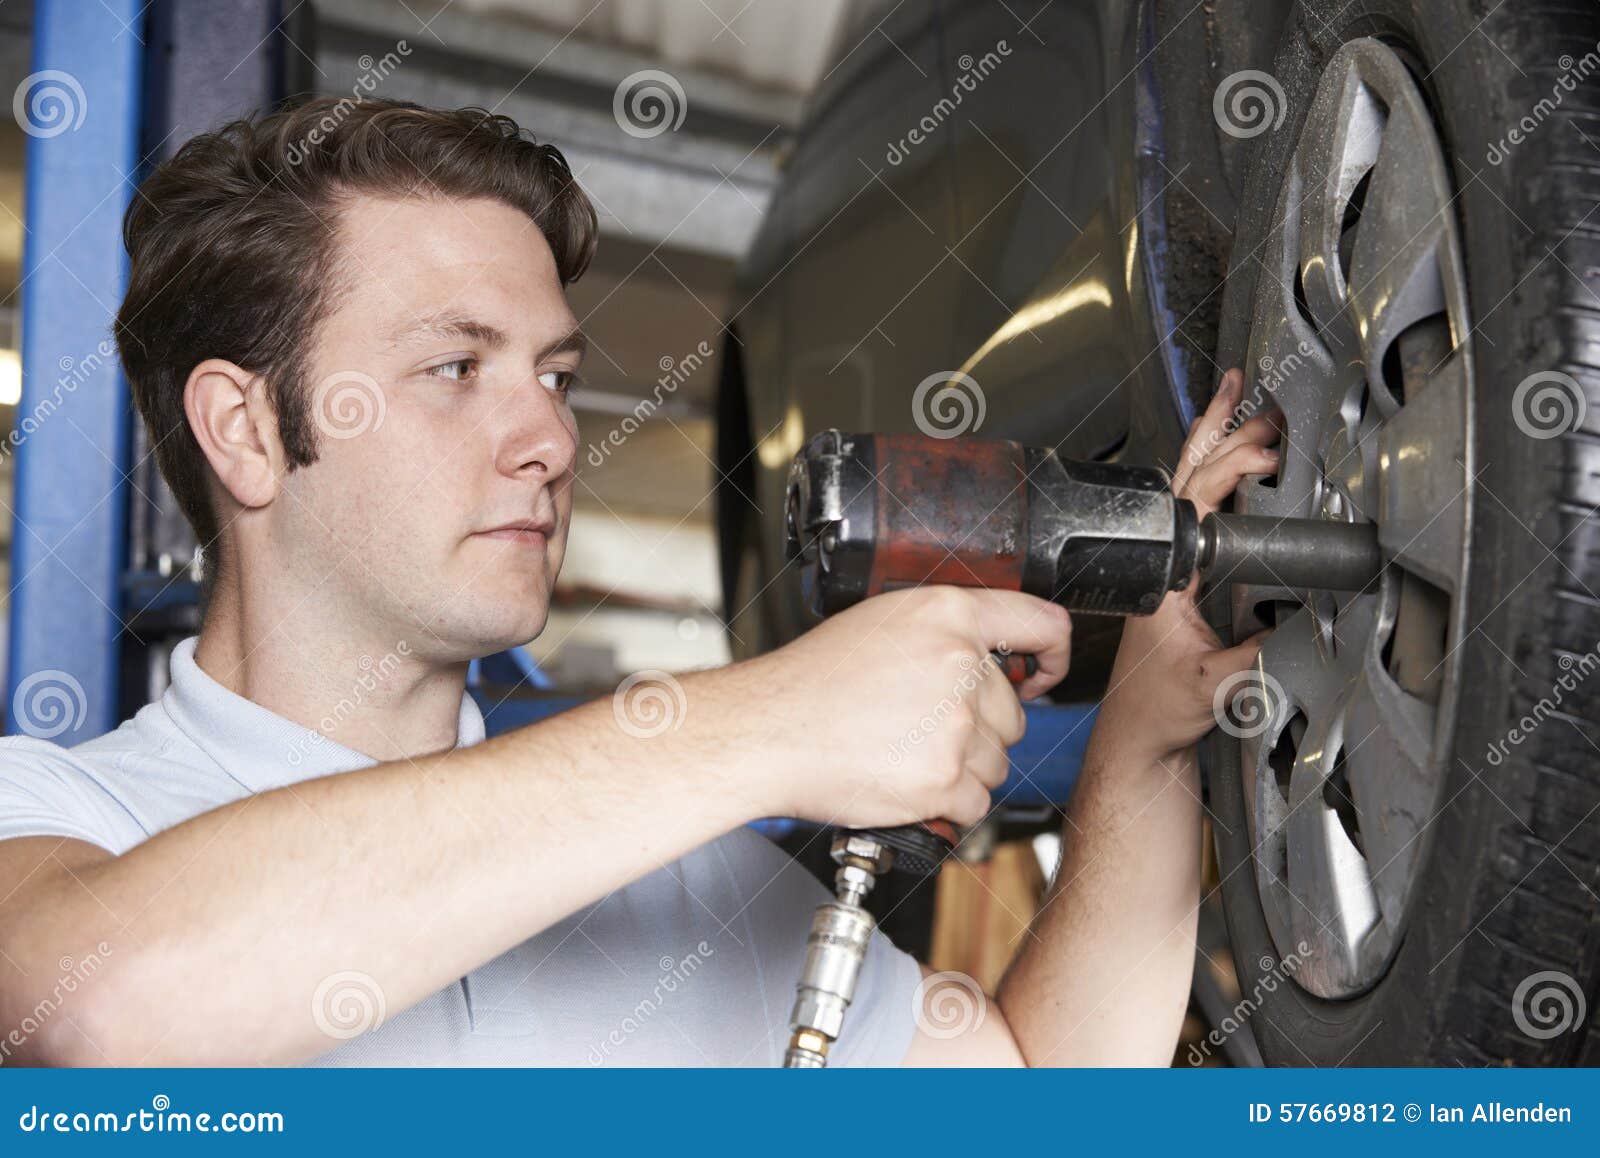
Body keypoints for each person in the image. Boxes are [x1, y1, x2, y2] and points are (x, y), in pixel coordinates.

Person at [0, 98, 1279, 1067]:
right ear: (244, 430)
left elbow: (1037, 1090)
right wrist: (766, 721)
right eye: (455, 368)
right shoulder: (56, 813)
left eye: (554, 378)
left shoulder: (694, 890)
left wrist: (1144, 735)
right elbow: (100, 1009)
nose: (551, 441)